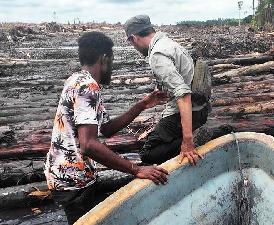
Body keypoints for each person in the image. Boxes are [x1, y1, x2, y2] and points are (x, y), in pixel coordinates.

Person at [44, 31, 169, 225]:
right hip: (73, 180)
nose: (112, 67)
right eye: (112, 60)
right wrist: (136, 169)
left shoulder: (76, 79)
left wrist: (142, 105)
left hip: (66, 174)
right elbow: (89, 145)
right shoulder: (88, 87)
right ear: (104, 58)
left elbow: (106, 129)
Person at [124, 15, 209, 166]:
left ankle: (202, 137)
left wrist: (187, 141)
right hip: (200, 110)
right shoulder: (169, 44)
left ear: (133, 38)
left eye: (132, 43)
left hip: (186, 113)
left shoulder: (157, 55)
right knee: (153, 138)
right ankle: (194, 135)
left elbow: (183, 94)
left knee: (147, 153)